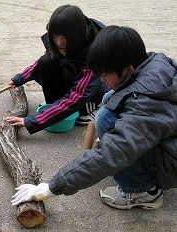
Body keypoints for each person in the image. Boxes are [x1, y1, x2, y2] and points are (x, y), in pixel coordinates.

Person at [11, 25, 177, 210]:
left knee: (107, 118)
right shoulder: (155, 64)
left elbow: (112, 153)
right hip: (169, 141)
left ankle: (142, 192)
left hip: (172, 163)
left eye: (105, 75)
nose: (103, 82)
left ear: (128, 70)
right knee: (109, 98)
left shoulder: (148, 102)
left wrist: (52, 187)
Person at [5, 5, 109, 134]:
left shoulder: (94, 52)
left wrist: (33, 120)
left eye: (64, 37)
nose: (59, 43)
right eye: (55, 36)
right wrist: (20, 78)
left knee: (78, 107)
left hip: (90, 93)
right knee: (45, 61)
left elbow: (77, 96)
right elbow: (43, 61)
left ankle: (91, 108)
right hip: (72, 81)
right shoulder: (60, 41)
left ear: (77, 34)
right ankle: (55, 107)